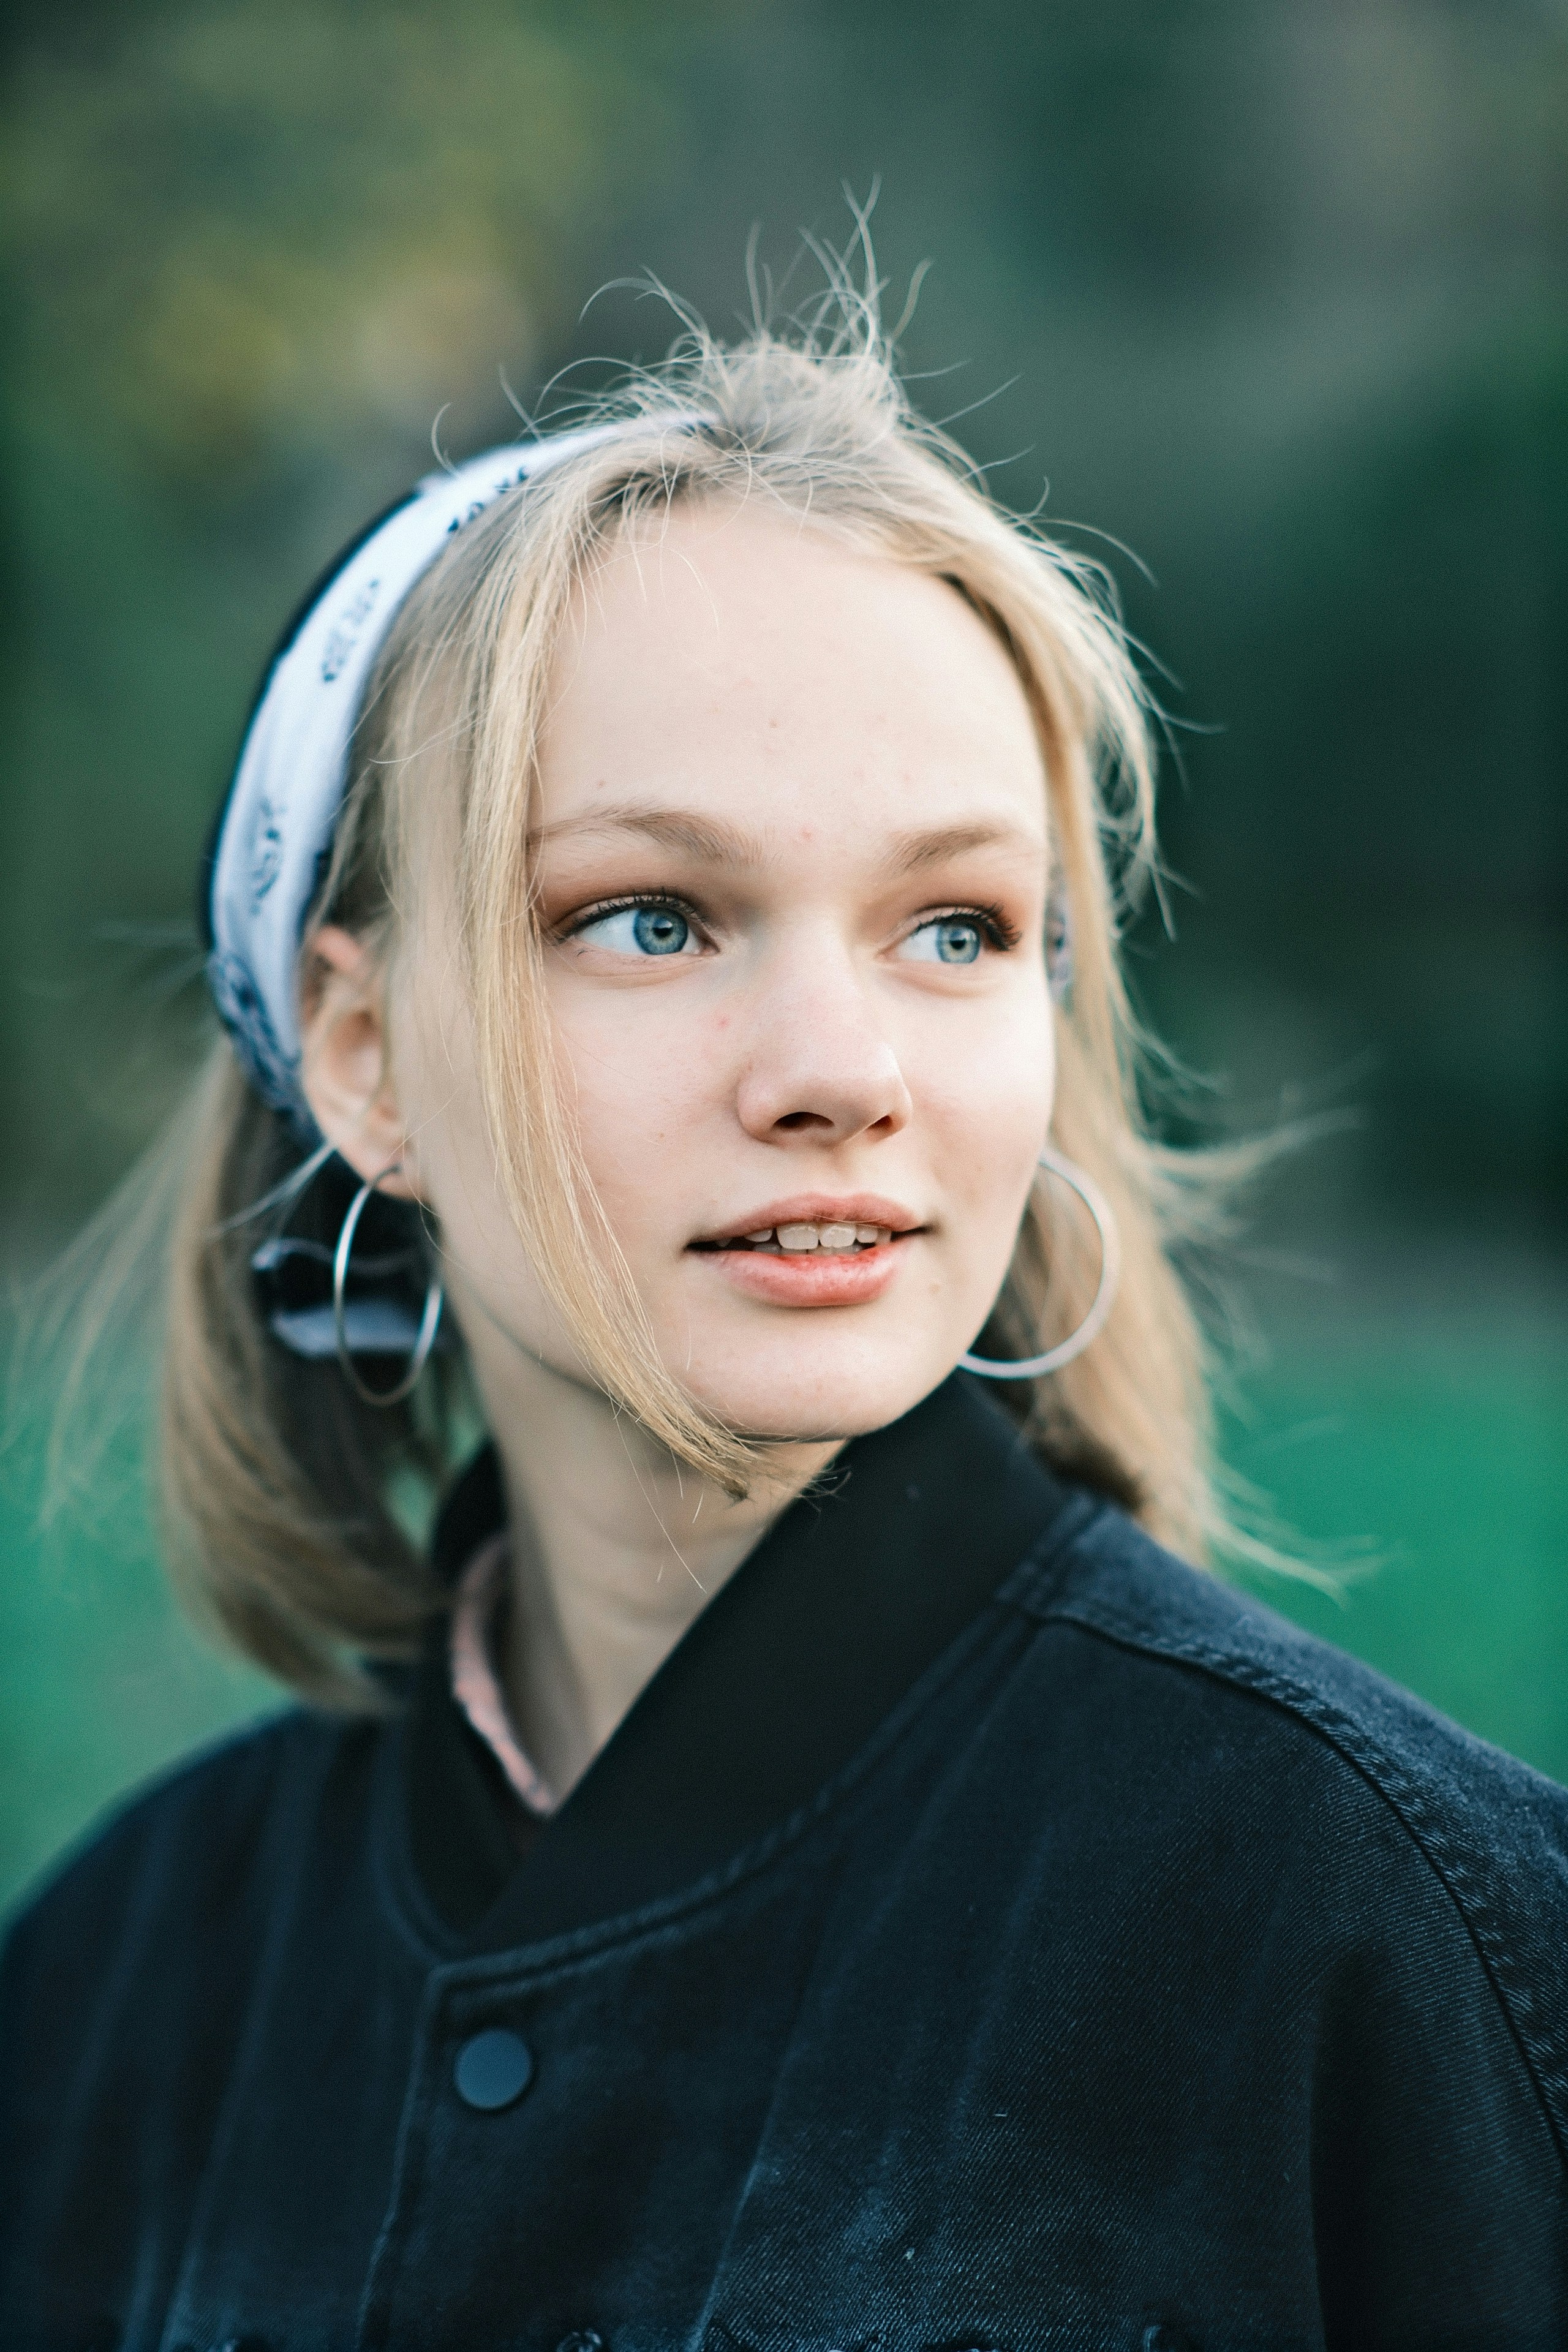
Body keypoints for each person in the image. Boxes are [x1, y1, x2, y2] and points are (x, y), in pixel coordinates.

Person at [2, 295, 1564, 2352]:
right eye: (651, 918)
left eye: (956, 927)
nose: (841, 1068)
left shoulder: (1401, 1936)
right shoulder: (109, 1995)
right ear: (367, 1053)